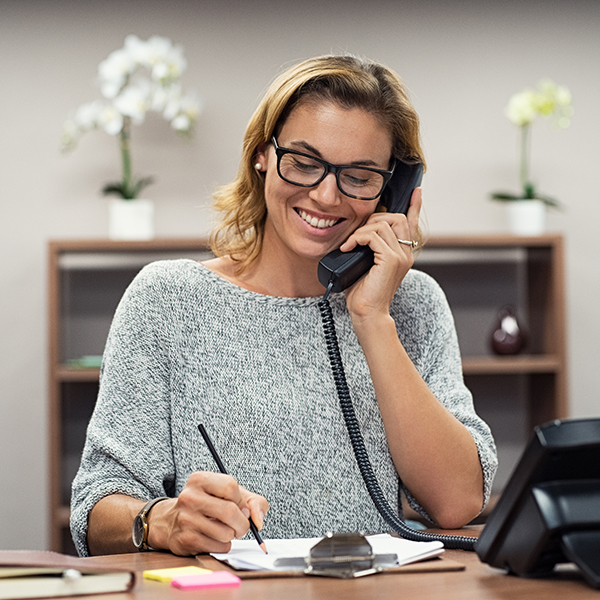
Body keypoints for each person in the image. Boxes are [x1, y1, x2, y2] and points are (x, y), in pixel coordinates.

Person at [71, 54, 497, 558]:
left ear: (395, 189)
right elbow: (95, 508)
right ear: (262, 154)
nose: (325, 194)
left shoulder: (412, 304)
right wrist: (160, 520)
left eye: (359, 176)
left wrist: (372, 318)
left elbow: (457, 504)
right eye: (304, 162)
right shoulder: (167, 299)